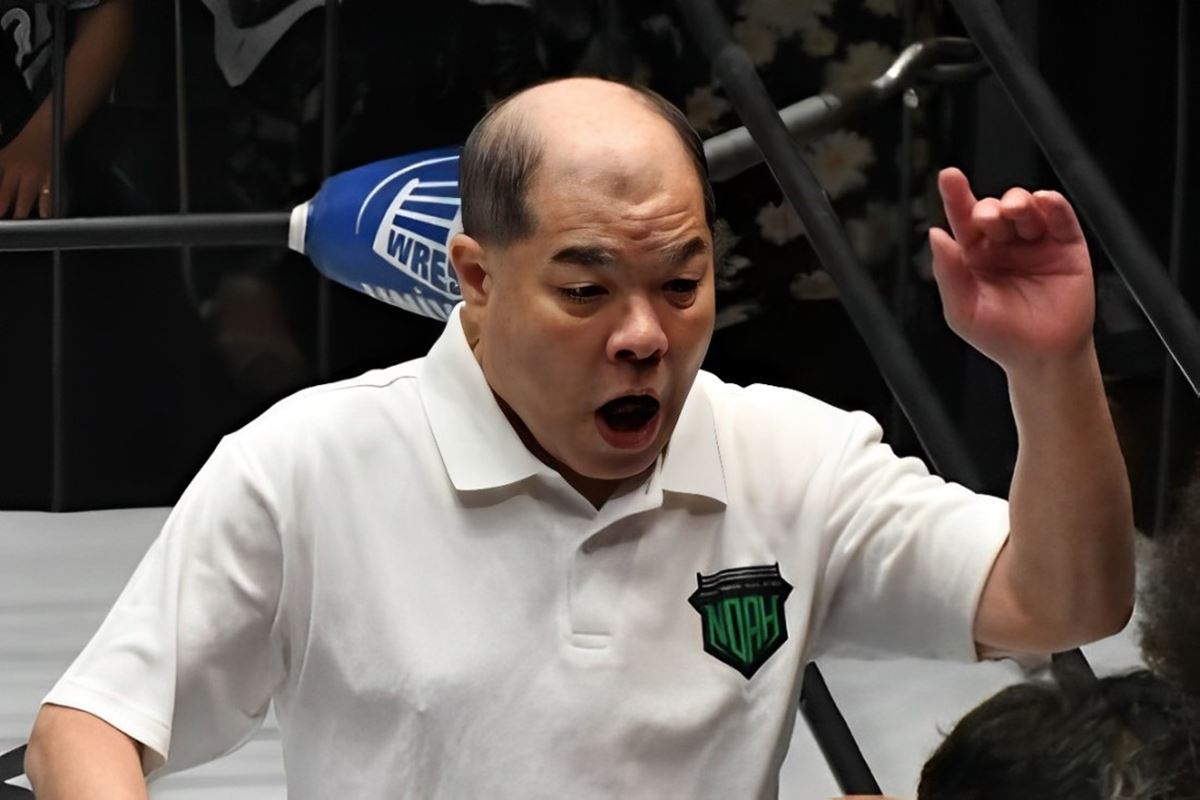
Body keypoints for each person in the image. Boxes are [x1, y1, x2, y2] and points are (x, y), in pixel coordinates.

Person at [24, 77, 1133, 798]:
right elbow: (88, 726)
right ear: (476, 277)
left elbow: (1063, 603)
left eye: (682, 284)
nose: (645, 335)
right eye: (587, 290)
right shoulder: (308, 465)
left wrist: (1050, 366)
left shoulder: (792, 458)